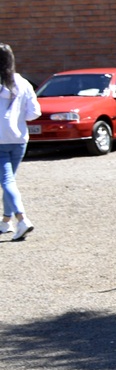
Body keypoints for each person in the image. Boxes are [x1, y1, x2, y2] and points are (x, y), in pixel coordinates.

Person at [0, 44, 42, 243]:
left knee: (7, 182)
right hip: (19, 140)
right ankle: (6, 221)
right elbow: (34, 113)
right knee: (9, 181)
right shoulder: (23, 82)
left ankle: (22, 219)